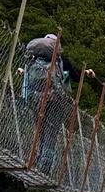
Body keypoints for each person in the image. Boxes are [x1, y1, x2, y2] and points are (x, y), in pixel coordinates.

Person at [20, 34, 95, 174]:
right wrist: (86, 73)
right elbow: (76, 76)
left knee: (39, 130)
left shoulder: (34, 59)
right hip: (56, 101)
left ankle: (33, 162)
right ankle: (44, 168)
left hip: (36, 99)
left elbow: (27, 77)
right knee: (51, 133)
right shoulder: (61, 61)